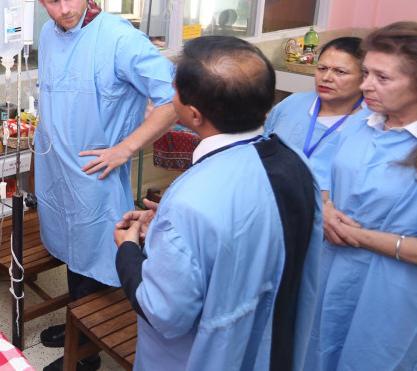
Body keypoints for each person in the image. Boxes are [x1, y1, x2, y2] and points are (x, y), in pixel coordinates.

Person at [114, 36, 321, 371]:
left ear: (193, 115)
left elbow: (164, 312)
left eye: (174, 89)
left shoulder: (190, 201)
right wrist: (170, 223)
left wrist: (129, 250)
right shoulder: (293, 162)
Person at [32, 0, 177, 370]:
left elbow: (172, 99)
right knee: (73, 255)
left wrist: (126, 148)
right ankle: (77, 326)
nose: (65, 10)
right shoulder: (48, 32)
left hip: (97, 174)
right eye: (53, 1)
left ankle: (85, 357)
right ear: (42, 1)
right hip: (58, 171)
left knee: (96, 255)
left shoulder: (119, 37)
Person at [304, 21, 417, 370]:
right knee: (317, 351)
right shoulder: (361, 123)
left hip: (393, 293)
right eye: (366, 72)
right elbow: (333, 185)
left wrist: (357, 237)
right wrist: (323, 207)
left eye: (382, 78)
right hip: (329, 271)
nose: (365, 85)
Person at [265, 37, 370, 186]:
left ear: (365, 76)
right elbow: (265, 143)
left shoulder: (368, 123)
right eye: (322, 68)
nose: (326, 78)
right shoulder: (292, 103)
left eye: (340, 72)